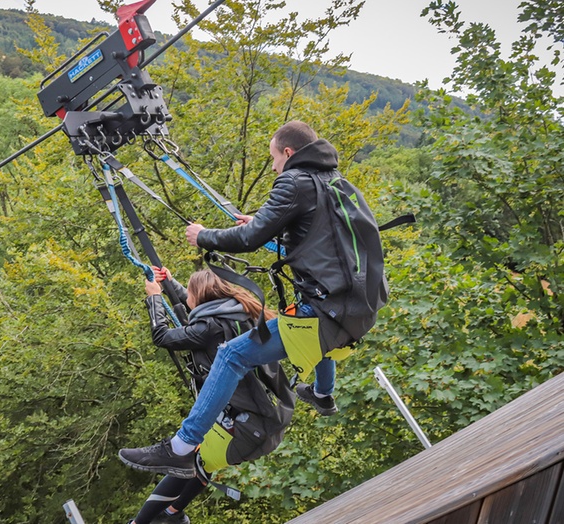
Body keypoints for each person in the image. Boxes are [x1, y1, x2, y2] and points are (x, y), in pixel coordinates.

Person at [119, 120, 387, 475]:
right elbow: (318, 240)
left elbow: (249, 240)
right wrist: (266, 222)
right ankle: (323, 393)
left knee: (232, 355)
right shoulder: (335, 182)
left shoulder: (293, 181)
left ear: (288, 153)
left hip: (328, 310)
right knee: (314, 339)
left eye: (274, 158)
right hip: (360, 305)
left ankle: (181, 446)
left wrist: (204, 236)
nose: (274, 166)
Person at [123, 268, 294, 524]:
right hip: (270, 418)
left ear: (200, 295)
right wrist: (171, 282)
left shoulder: (208, 328)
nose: (186, 297)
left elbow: (162, 336)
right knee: (199, 459)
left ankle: (149, 520)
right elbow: (197, 304)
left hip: (248, 427)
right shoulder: (241, 313)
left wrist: (155, 298)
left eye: (188, 292)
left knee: (188, 456)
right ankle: (172, 513)